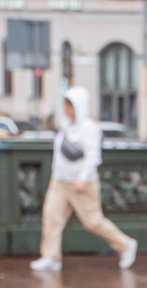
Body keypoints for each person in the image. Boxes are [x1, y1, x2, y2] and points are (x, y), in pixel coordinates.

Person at [30, 85, 138, 273]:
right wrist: (56, 175)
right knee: (51, 217)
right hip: (60, 182)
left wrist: (82, 178)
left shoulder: (89, 128)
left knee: (93, 222)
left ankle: (126, 244)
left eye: (69, 106)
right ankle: (51, 256)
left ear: (79, 107)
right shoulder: (67, 127)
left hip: (81, 184)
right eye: (65, 105)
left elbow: (92, 156)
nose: (66, 109)